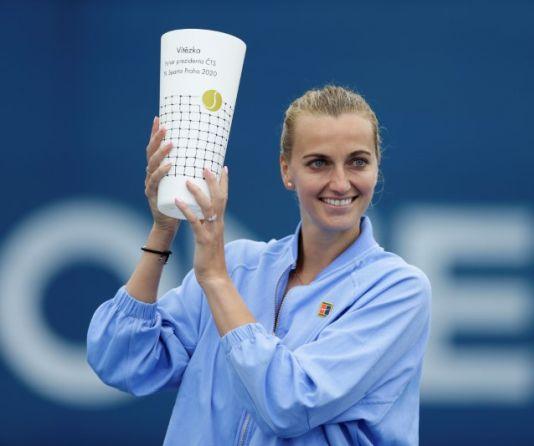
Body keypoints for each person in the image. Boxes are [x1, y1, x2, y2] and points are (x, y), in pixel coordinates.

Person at [87, 85, 431, 445]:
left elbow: (289, 403)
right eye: (319, 163)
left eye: (358, 161)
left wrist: (216, 281)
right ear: (287, 170)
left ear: (377, 167)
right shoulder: (238, 265)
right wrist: (163, 228)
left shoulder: (399, 289)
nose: (341, 182)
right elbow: (119, 359)